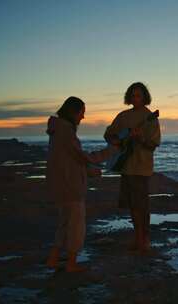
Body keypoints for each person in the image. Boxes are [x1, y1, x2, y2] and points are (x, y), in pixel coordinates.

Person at [45, 96, 114, 272]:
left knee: (64, 223)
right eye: (82, 112)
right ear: (73, 112)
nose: (83, 117)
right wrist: (111, 151)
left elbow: (70, 161)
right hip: (70, 187)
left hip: (60, 185)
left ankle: (53, 259)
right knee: (76, 225)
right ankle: (71, 264)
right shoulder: (66, 132)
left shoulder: (58, 130)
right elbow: (83, 157)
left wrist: (89, 171)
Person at [104, 82, 161, 254]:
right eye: (133, 95)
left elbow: (153, 145)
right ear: (129, 97)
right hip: (125, 165)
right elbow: (109, 134)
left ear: (145, 97)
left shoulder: (150, 118)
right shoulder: (123, 116)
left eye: (139, 95)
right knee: (132, 205)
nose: (136, 98)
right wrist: (115, 141)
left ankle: (145, 240)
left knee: (141, 205)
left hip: (141, 167)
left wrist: (141, 138)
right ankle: (137, 238)